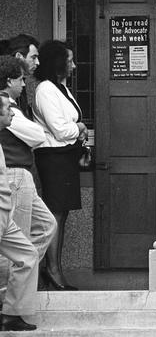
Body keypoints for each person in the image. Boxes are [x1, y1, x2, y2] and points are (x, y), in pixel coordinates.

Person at [32, 40, 87, 291]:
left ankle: (54, 268)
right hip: (53, 158)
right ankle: (52, 269)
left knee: (61, 215)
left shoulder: (60, 88)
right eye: (69, 60)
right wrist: (80, 129)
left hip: (65, 157)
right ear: (58, 63)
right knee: (55, 214)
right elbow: (61, 129)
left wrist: (76, 131)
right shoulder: (45, 89)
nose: (74, 65)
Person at [0, 56, 56, 286]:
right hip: (14, 174)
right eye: (21, 79)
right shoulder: (5, 107)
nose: (24, 85)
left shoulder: (12, 107)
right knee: (15, 241)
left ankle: (20, 283)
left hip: (21, 174)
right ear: (8, 80)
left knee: (46, 225)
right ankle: (7, 295)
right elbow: (37, 135)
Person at [0, 93, 39, 331]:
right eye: (7, 110)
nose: (13, 113)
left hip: (5, 214)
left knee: (27, 255)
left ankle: (11, 314)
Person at [5, 34, 40, 119]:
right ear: (19, 56)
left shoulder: (21, 81)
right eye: (33, 57)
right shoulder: (6, 83)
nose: (37, 62)